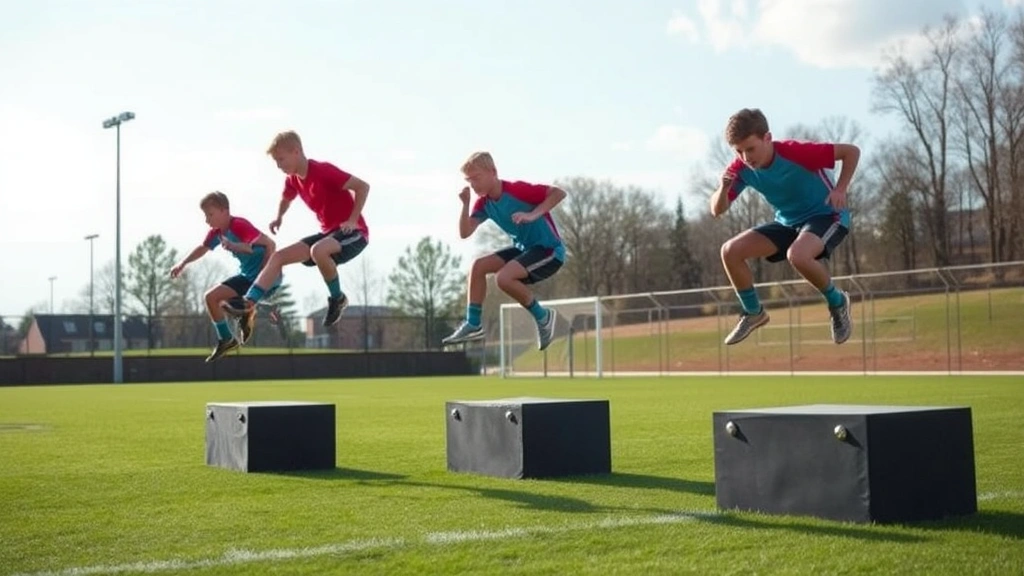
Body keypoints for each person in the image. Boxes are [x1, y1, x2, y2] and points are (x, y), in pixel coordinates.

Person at [709, 108, 860, 346]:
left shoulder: (796, 152)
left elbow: (851, 152)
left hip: (826, 215)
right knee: (730, 251)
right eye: (739, 152)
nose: (746, 157)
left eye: (750, 149)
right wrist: (723, 188)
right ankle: (753, 312)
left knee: (798, 256)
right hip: (788, 223)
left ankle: (837, 301)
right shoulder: (741, 168)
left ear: (767, 138)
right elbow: (717, 210)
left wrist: (840, 189)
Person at [222, 130, 370, 338]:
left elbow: (363, 187)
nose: (278, 165)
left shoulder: (323, 171)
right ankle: (249, 303)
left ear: (297, 151)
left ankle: (337, 298)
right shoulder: (293, 180)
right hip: (329, 234)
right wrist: (279, 217)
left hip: (354, 233)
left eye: (281, 159)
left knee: (318, 250)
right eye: (276, 161)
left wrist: (353, 219)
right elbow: (286, 199)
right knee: (278, 257)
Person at [442, 151, 567, 351]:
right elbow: (465, 232)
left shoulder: (517, 190)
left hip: (549, 250)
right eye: (469, 180)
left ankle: (543, 317)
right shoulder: (484, 203)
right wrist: (465, 205)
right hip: (524, 249)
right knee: (478, 266)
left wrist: (532, 214)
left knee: (503, 278)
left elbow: (559, 193)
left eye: (477, 178)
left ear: (493, 172)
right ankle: (473, 323)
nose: (473, 185)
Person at [170, 191, 279, 362]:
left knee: (232, 303)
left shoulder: (239, 225)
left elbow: (270, 244)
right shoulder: (217, 233)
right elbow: (203, 248)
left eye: (210, 215)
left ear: (225, 211)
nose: (207, 220)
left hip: (265, 278)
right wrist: (182, 263)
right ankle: (227, 338)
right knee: (211, 297)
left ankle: (256, 310)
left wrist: (263, 276)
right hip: (246, 276)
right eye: (205, 216)